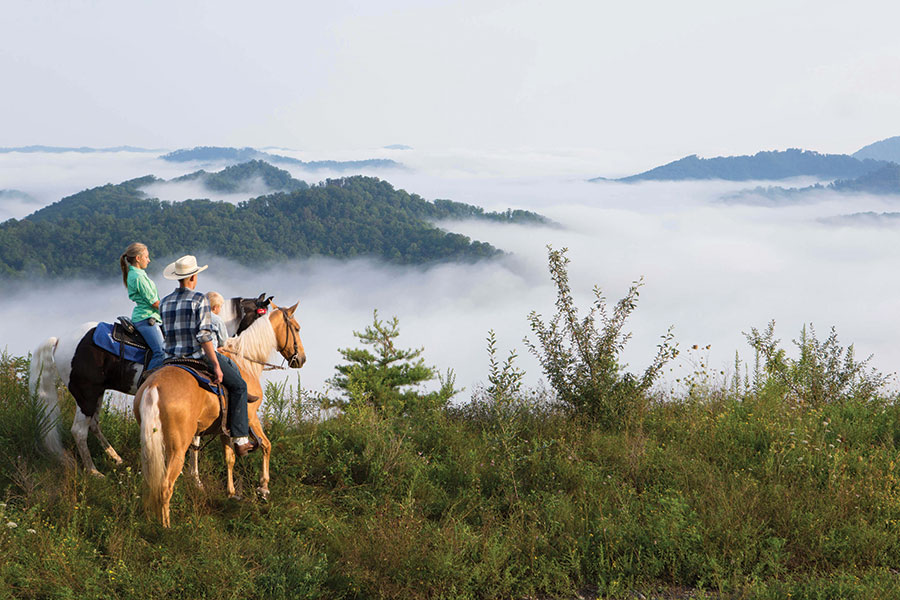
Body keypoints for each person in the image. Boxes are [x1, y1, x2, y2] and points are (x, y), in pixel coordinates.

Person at [159, 255, 255, 456]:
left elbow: (166, 332)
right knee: (239, 386)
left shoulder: (165, 302)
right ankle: (240, 439)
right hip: (196, 356)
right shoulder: (199, 299)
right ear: (193, 277)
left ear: (178, 278)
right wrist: (216, 365)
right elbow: (204, 336)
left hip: (169, 359)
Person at [120, 243, 165, 372]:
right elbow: (154, 303)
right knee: (160, 351)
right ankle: (147, 382)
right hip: (146, 318)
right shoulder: (139, 277)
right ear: (138, 258)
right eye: (146, 257)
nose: (149, 260)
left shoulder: (138, 274)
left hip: (148, 316)